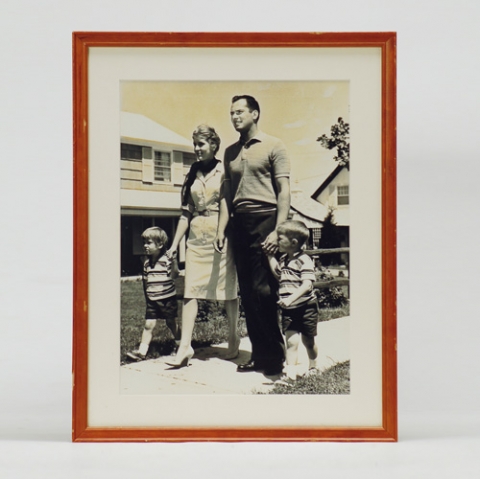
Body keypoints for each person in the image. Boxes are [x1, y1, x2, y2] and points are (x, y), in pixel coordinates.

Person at [215, 95, 290, 376]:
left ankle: (275, 357)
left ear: (255, 114)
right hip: (240, 224)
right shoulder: (230, 152)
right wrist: (222, 229)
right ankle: (260, 356)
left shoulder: (274, 145)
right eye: (231, 113)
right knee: (247, 293)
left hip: (266, 220)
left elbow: (284, 191)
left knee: (265, 290)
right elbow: (226, 194)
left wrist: (278, 230)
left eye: (240, 112)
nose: (235, 117)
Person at [165, 125, 239, 368]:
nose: (197, 148)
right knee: (190, 290)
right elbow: (185, 214)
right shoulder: (192, 173)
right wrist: (174, 245)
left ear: (213, 145)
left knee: (228, 290)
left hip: (221, 233)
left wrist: (221, 232)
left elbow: (228, 203)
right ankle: (185, 347)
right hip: (197, 236)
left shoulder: (224, 170)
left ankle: (233, 338)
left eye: (201, 144)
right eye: (195, 144)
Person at [266, 220, 319, 382]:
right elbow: (278, 273)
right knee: (291, 342)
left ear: (294, 242)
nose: (277, 241)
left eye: (280, 238)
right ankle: (290, 374)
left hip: (306, 307)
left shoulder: (304, 260)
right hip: (289, 310)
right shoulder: (284, 259)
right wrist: (269, 256)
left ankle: (313, 366)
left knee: (308, 341)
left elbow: (307, 285)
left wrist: (290, 299)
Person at [127, 227, 180, 361]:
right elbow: (146, 282)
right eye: (144, 242)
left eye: (149, 243)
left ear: (160, 245)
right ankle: (141, 352)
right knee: (148, 325)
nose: (145, 246)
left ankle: (181, 345)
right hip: (152, 299)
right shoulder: (146, 263)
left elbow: (174, 275)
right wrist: (147, 297)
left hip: (167, 299)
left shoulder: (167, 260)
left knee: (171, 323)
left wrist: (174, 262)